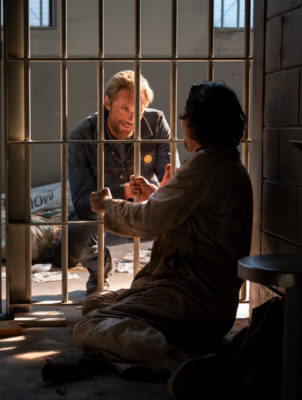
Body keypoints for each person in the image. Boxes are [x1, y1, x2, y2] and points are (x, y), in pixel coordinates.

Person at [61, 81, 253, 399]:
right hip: (196, 294)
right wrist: (157, 195)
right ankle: (145, 358)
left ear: (197, 124)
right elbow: (181, 213)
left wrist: (109, 207)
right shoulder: (223, 163)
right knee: (96, 303)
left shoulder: (204, 167)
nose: (181, 120)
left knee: (89, 327)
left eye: (186, 114)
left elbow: (149, 220)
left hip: (193, 298)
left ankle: (181, 361)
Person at [48, 70, 178, 295]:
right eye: (125, 108)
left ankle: (164, 280)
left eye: (138, 110)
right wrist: (123, 192)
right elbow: (82, 203)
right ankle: (100, 267)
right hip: (104, 219)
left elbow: (176, 188)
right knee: (70, 245)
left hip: (146, 213)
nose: (131, 117)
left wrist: (157, 191)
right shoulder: (82, 137)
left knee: (185, 219)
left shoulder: (156, 123)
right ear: (107, 103)